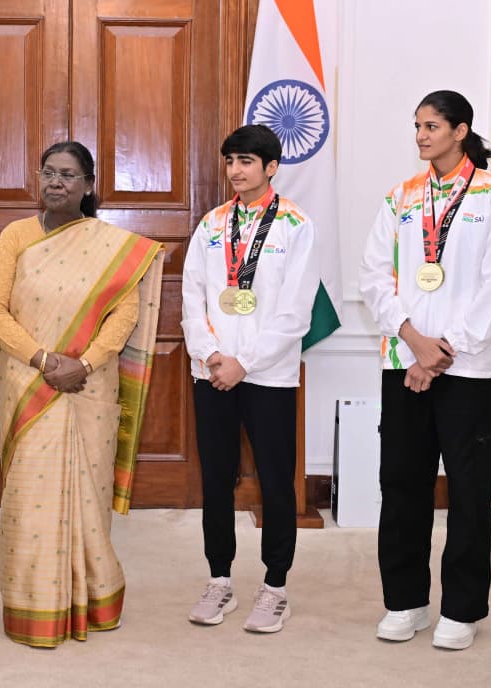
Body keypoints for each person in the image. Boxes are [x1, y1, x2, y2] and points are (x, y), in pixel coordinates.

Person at [0, 141, 163, 648]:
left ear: (89, 185)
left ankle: (95, 598)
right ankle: (32, 607)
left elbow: (124, 315)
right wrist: (44, 360)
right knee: (29, 497)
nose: (56, 183)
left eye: (68, 175)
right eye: (48, 173)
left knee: (87, 494)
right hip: (28, 383)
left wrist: (82, 364)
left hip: (87, 385)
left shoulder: (112, 245)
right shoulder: (16, 235)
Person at [359, 90, 491, 650]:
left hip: (468, 368)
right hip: (404, 360)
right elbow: (373, 277)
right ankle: (406, 602)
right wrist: (413, 339)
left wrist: (444, 350)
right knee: (401, 484)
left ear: (460, 130)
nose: (421, 136)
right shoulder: (401, 197)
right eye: (417, 126)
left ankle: (463, 608)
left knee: (469, 489)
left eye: (431, 126)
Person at [180, 124, 320, 633]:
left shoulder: (296, 226)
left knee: (275, 483)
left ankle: (275, 586)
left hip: (268, 376)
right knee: (216, 480)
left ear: (271, 167)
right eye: (231, 161)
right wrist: (212, 354)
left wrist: (247, 361)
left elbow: (295, 311)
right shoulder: (212, 225)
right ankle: (219, 580)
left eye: (246, 162)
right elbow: (192, 296)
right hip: (212, 372)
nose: (236, 171)